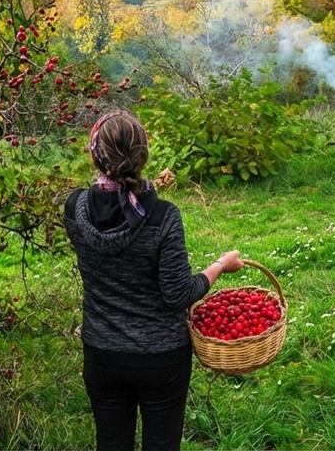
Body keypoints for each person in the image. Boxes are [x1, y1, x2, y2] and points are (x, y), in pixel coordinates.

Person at [64, 110, 243, 451]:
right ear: (143, 154)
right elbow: (178, 294)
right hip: (160, 358)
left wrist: (150, 189)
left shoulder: (75, 208)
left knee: (111, 444)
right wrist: (220, 265)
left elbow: (118, 207)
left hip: (102, 354)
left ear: (94, 153)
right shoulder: (163, 216)